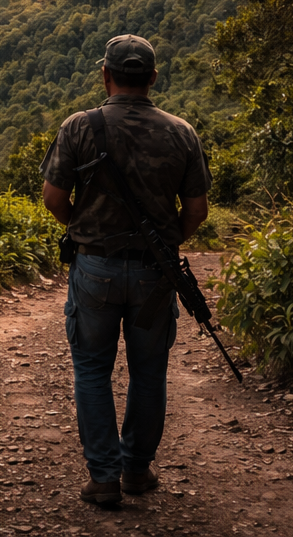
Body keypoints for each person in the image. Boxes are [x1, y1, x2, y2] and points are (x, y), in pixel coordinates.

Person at [39, 34, 210, 506]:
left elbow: (53, 197)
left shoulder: (79, 127)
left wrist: (82, 229)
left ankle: (103, 477)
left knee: (92, 370)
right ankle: (136, 472)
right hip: (156, 275)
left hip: (94, 267)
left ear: (106, 75)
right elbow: (196, 210)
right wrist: (164, 241)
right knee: (149, 372)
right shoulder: (181, 132)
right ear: (153, 78)